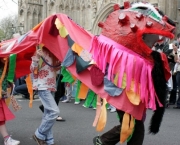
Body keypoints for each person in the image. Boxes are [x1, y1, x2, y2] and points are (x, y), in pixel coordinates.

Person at [30, 47, 60, 145]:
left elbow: (56, 69)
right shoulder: (40, 51)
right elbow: (32, 69)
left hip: (51, 86)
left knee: (48, 114)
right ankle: (39, 134)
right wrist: (37, 57)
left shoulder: (54, 52)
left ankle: (49, 140)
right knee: (54, 112)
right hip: (42, 86)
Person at [0, 58, 20, 145]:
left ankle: (7, 139)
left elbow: (6, 82)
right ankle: (7, 139)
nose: (6, 58)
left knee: (1, 118)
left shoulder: (6, 66)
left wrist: (5, 91)